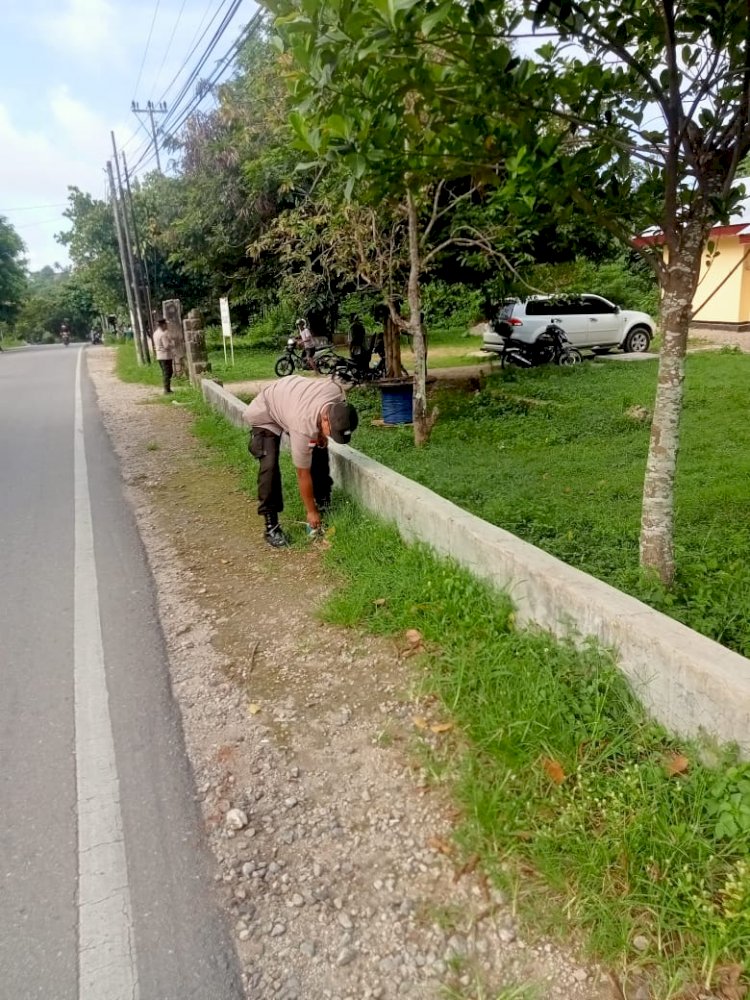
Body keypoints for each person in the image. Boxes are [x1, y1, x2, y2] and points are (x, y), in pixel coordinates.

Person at [243, 375, 359, 548]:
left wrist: (321, 434)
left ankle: (323, 501)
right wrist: (310, 512)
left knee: (318, 445)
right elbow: (302, 473)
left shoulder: (337, 394)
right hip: (267, 412)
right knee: (270, 466)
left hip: (291, 399)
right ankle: (271, 526)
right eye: (332, 432)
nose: (332, 436)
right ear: (325, 419)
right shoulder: (302, 425)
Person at [153, 317, 175, 394]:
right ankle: (167, 390)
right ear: (162, 325)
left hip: (159, 356)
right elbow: (166, 346)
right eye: (166, 324)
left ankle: (167, 388)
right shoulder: (163, 334)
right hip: (165, 356)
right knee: (168, 373)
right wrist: (172, 343)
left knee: (165, 372)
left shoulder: (155, 333)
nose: (167, 326)